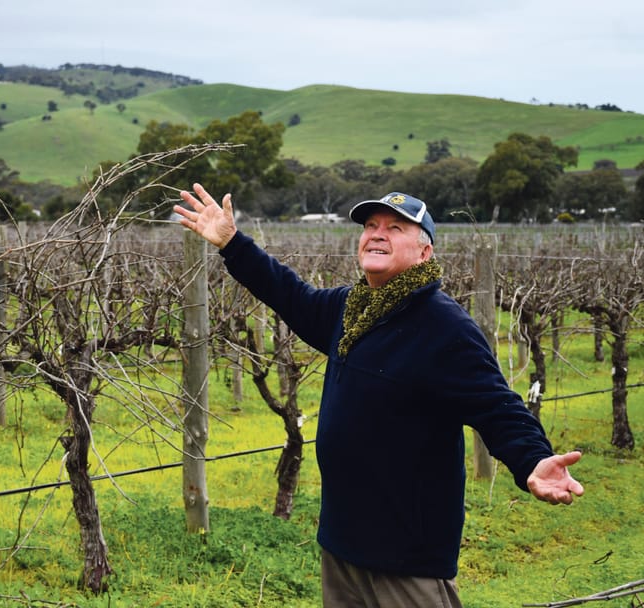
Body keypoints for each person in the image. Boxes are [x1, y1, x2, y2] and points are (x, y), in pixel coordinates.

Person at [174, 183, 584, 608]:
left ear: (425, 252)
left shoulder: (444, 328)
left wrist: (533, 459)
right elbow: (290, 295)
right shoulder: (352, 309)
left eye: (396, 227)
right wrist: (232, 243)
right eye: (370, 225)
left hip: (406, 560)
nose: (377, 233)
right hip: (342, 545)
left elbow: (497, 407)